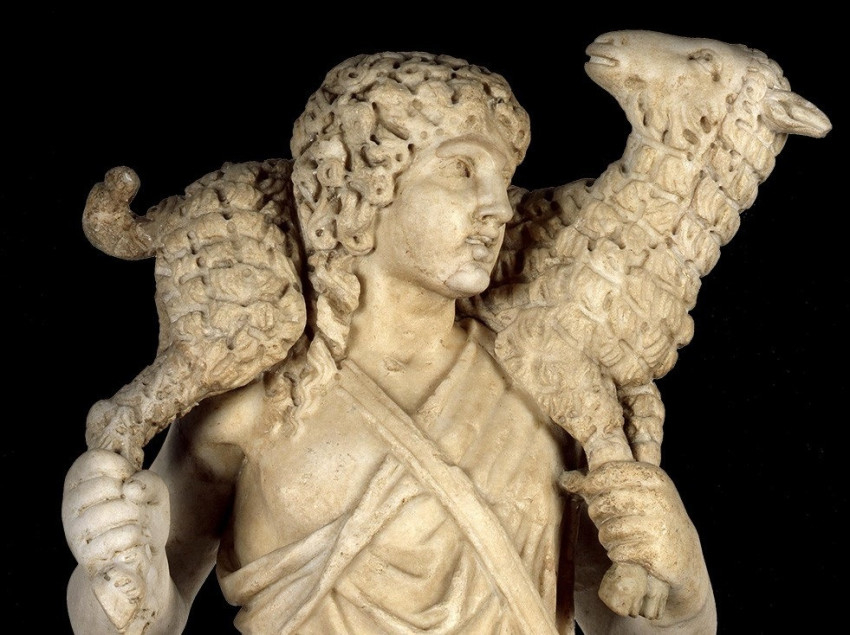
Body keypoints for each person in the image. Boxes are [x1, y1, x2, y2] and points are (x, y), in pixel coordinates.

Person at [63, 51, 717, 634]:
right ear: (362, 186)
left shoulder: (546, 390)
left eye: (502, 177)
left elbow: (633, 622)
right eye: (461, 169)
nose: (499, 205)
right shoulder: (249, 405)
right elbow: (144, 616)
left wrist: (683, 584)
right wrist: (114, 566)